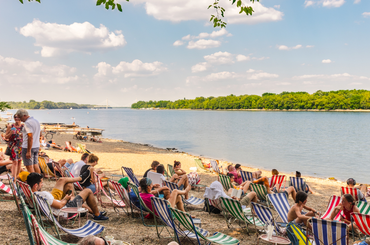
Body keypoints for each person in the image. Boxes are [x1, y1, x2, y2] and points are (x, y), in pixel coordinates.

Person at [27, 172, 108, 221]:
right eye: (41, 183)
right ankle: (97, 215)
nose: (42, 184)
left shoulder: (31, 194)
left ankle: (94, 212)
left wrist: (65, 199)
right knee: (88, 191)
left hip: (59, 209)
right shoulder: (42, 194)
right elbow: (59, 206)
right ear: (35, 185)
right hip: (64, 212)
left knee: (73, 197)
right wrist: (65, 199)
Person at [15, 109, 41, 174]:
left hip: (28, 147)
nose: (20, 120)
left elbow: (30, 136)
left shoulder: (27, 123)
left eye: (20, 118)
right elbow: (38, 133)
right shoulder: (36, 121)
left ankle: (34, 182)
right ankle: (40, 181)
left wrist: (28, 151)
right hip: (36, 146)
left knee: (29, 167)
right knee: (35, 165)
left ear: (24, 115)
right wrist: (23, 134)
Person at [4, 114, 24, 179]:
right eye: (15, 117)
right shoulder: (11, 126)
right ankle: (14, 178)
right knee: (15, 161)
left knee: (19, 162)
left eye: (18, 117)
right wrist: (11, 133)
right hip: (13, 146)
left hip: (21, 145)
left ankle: (17, 177)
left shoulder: (23, 127)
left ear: (20, 118)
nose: (16, 118)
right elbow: (6, 137)